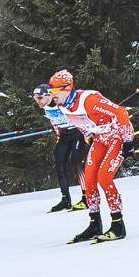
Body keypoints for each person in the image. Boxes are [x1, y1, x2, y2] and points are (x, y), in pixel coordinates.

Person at [49, 70, 134, 243]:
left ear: (67, 88)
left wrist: (127, 141)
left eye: (54, 91)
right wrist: (88, 135)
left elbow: (121, 112)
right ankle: (95, 223)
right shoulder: (62, 106)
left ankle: (118, 224)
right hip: (100, 138)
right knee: (88, 179)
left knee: (104, 177)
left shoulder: (89, 100)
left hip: (117, 136)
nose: (52, 95)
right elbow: (81, 123)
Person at [36, 84, 88, 212]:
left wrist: (87, 135)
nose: (38, 101)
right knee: (59, 164)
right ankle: (65, 200)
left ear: (49, 95)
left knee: (77, 163)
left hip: (77, 133)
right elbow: (53, 121)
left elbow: (80, 116)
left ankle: (87, 198)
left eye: (40, 97)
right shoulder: (45, 106)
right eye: (36, 98)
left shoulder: (61, 102)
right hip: (64, 134)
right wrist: (58, 134)